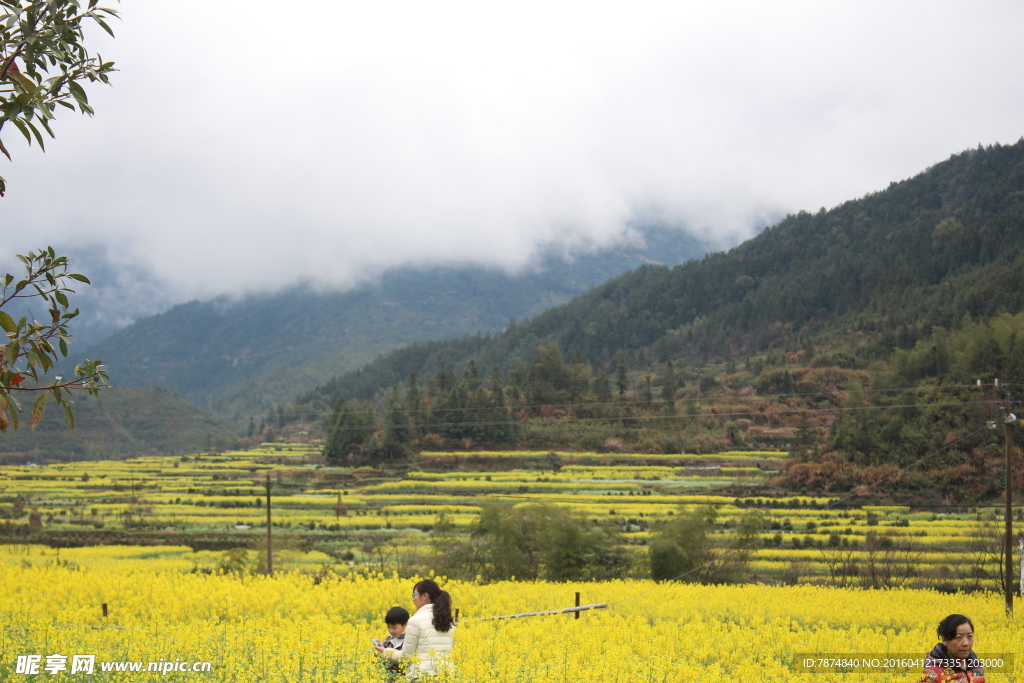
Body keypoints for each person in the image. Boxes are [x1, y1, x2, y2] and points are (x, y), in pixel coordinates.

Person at [377, 579, 454, 679]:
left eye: (414, 595)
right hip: (445, 676)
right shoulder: (448, 620)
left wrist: (386, 652)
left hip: (422, 676)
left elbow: (405, 657)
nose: (413, 599)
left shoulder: (415, 621)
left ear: (425, 596)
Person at [921, 614, 985, 683]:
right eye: (959, 637)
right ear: (945, 640)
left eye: (969, 636)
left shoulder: (975, 666)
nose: (966, 643)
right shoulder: (932, 674)